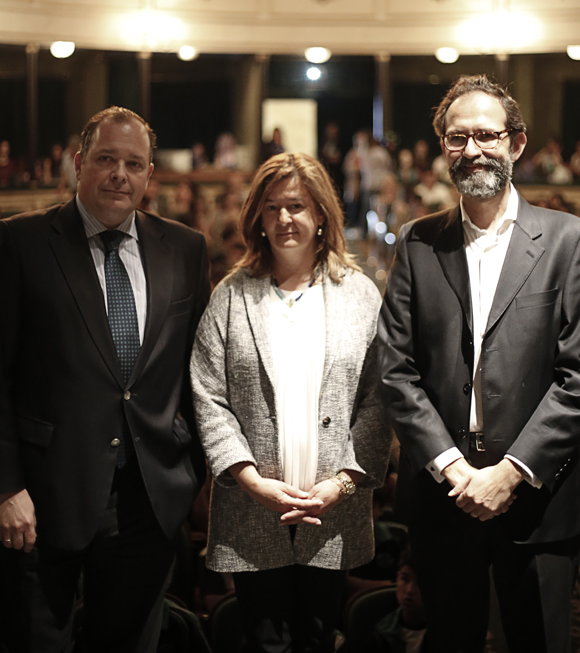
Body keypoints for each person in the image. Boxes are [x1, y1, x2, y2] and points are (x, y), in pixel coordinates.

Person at [378, 75, 580, 653]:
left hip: (538, 495)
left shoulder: (570, 240)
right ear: (443, 148)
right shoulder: (417, 242)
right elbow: (395, 369)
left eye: (486, 135)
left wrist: (511, 473)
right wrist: (454, 469)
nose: (472, 149)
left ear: (516, 143)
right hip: (444, 496)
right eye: (458, 138)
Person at [0, 106, 210, 653]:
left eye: (134, 164)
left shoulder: (185, 249)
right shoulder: (20, 242)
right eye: (106, 159)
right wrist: (6, 486)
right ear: (79, 164)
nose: (120, 174)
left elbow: (200, 374)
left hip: (148, 501)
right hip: (43, 498)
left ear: (149, 174)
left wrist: (193, 473)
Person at [190, 152, 391, 653]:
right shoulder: (231, 296)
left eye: (297, 206)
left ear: (321, 213)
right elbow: (208, 394)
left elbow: (379, 397)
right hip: (252, 508)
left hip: (333, 509)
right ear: (257, 216)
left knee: (320, 639)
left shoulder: (360, 295)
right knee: (265, 642)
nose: (284, 218)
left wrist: (343, 483)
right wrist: (249, 479)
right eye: (273, 207)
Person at [371, 546, 427, 653]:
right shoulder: (381, 633)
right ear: (397, 577)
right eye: (405, 579)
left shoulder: (447, 633)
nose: (409, 590)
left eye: (420, 584)